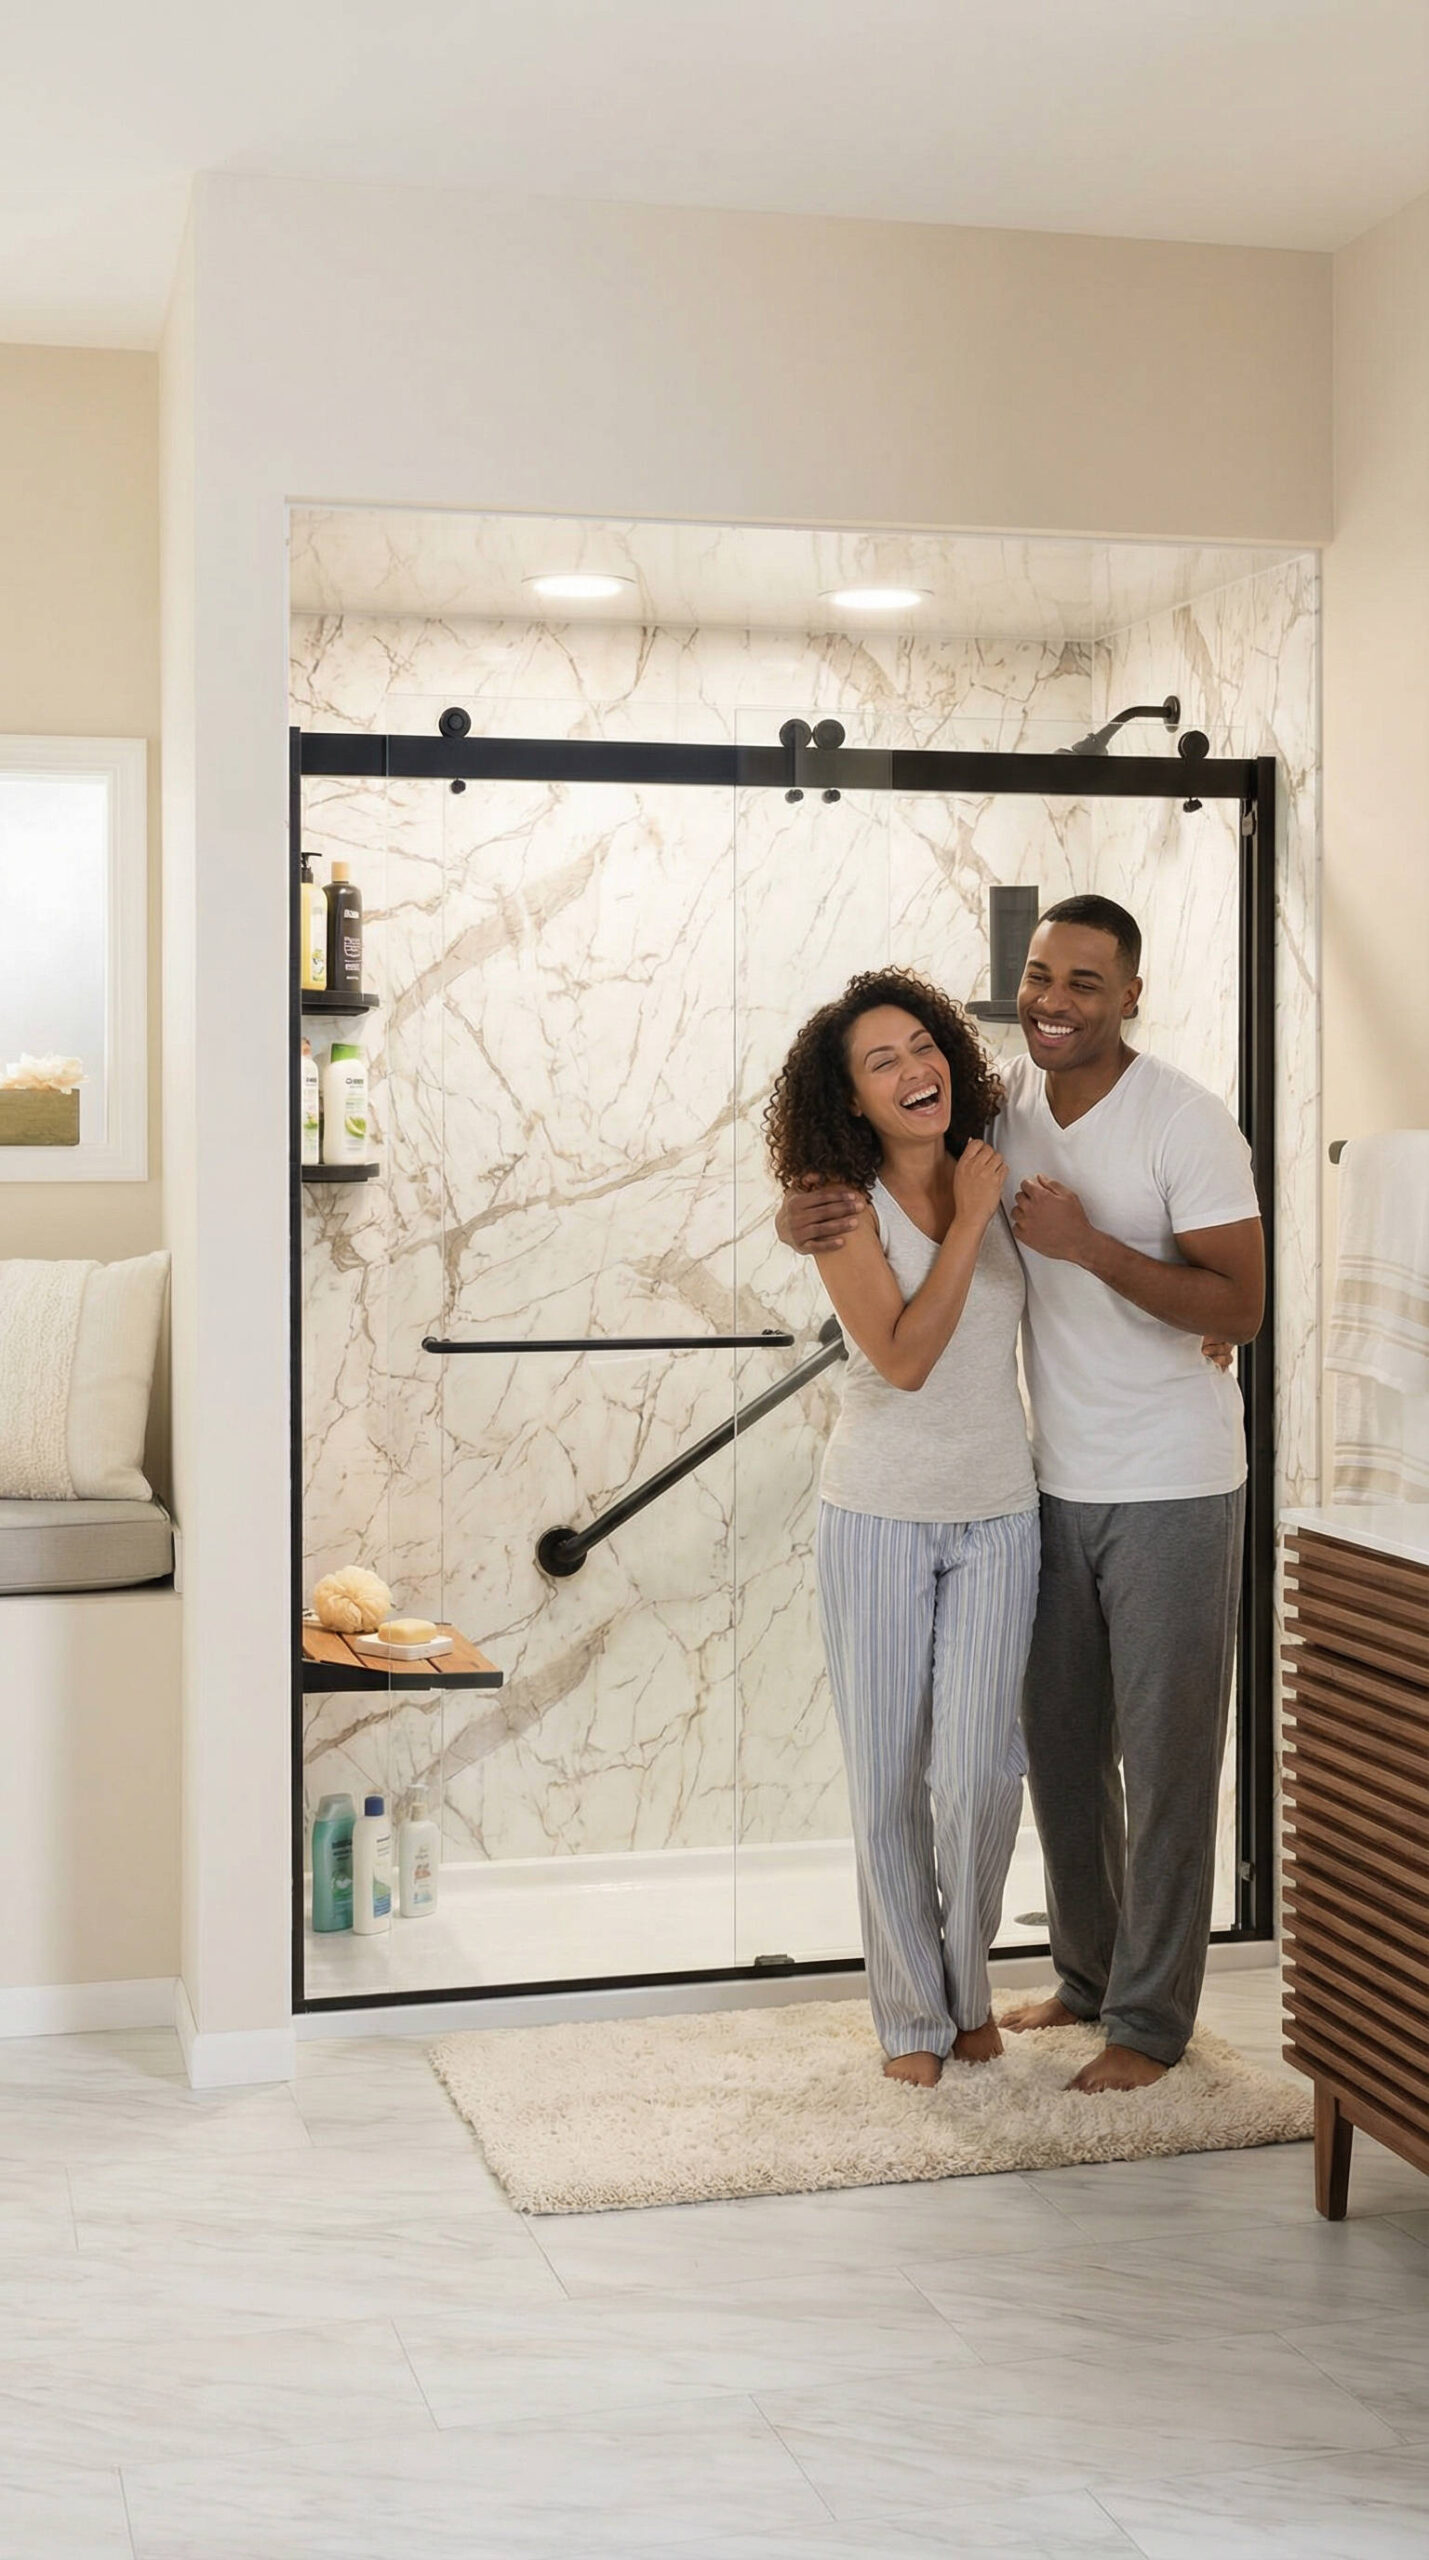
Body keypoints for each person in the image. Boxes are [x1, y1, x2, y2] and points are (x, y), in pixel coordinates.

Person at [777, 897, 1264, 2095]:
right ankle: (1087, 1975)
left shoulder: (1187, 1121)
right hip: (1046, 1485)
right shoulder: (1005, 1105)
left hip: (1170, 1481)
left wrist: (1089, 1245)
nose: (1054, 999)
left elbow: (1241, 1308)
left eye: (1085, 983)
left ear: (1131, 996)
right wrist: (792, 1215)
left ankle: (1149, 2021)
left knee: (1159, 1765)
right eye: (1040, 974)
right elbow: (873, 1145)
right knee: (1053, 1756)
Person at [765, 968, 1040, 2086]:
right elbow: (906, 1358)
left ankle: (967, 1982)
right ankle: (912, 2016)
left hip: (999, 1514)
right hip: (876, 1513)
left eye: (920, 1045)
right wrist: (971, 1219)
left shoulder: (997, 1156)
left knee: (979, 1774)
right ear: (853, 1099)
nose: (912, 1069)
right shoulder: (840, 1203)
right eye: (880, 1063)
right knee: (887, 1777)